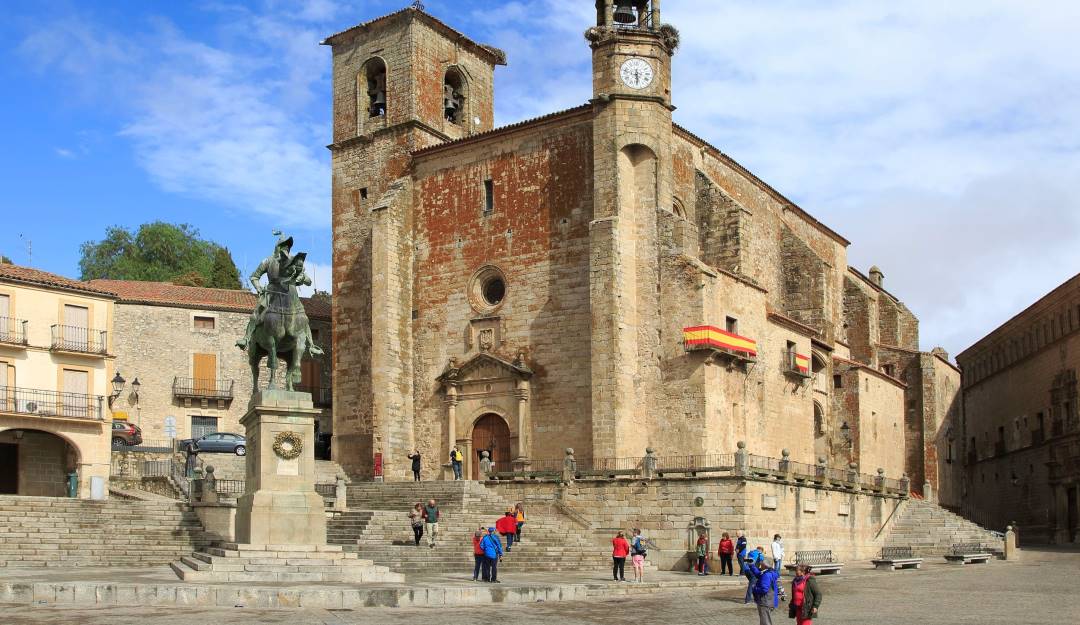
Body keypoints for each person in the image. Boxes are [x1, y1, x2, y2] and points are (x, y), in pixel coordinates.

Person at [752, 557, 781, 625]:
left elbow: (764, 589)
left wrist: (754, 588)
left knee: (765, 622)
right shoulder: (771, 572)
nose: (760, 564)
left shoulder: (766, 575)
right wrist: (752, 566)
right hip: (770, 600)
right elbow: (759, 574)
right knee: (765, 621)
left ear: (765, 565)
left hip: (765, 601)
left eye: (761, 563)